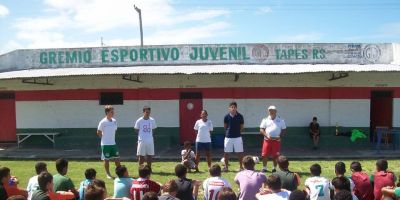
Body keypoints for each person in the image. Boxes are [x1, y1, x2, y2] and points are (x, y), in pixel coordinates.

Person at [259, 105, 286, 173]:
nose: (271, 111)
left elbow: (284, 130)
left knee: (275, 155)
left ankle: (274, 168)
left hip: (276, 141)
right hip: (267, 140)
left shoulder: (281, 120)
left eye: (273, 110)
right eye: (270, 110)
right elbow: (261, 129)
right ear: (268, 111)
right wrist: (266, 135)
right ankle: (264, 168)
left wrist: (280, 136)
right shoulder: (265, 119)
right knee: (264, 155)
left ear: (276, 111)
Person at [97, 105, 121, 179]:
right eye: (111, 111)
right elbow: (98, 132)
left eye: (113, 111)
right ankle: (108, 174)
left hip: (113, 143)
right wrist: (104, 138)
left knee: (117, 159)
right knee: (106, 160)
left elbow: (115, 130)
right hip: (105, 144)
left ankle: (120, 173)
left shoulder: (114, 121)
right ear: (107, 112)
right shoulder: (103, 122)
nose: (113, 113)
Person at [223, 101, 245, 172]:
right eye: (231, 107)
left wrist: (237, 132)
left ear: (236, 108)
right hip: (228, 137)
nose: (233, 108)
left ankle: (241, 167)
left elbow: (241, 126)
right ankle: (226, 167)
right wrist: (229, 132)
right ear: (229, 108)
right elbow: (225, 126)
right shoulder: (226, 116)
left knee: (240, 152)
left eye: (234, 107)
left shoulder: (240, 116)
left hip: (238, 137)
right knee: (226, 153)